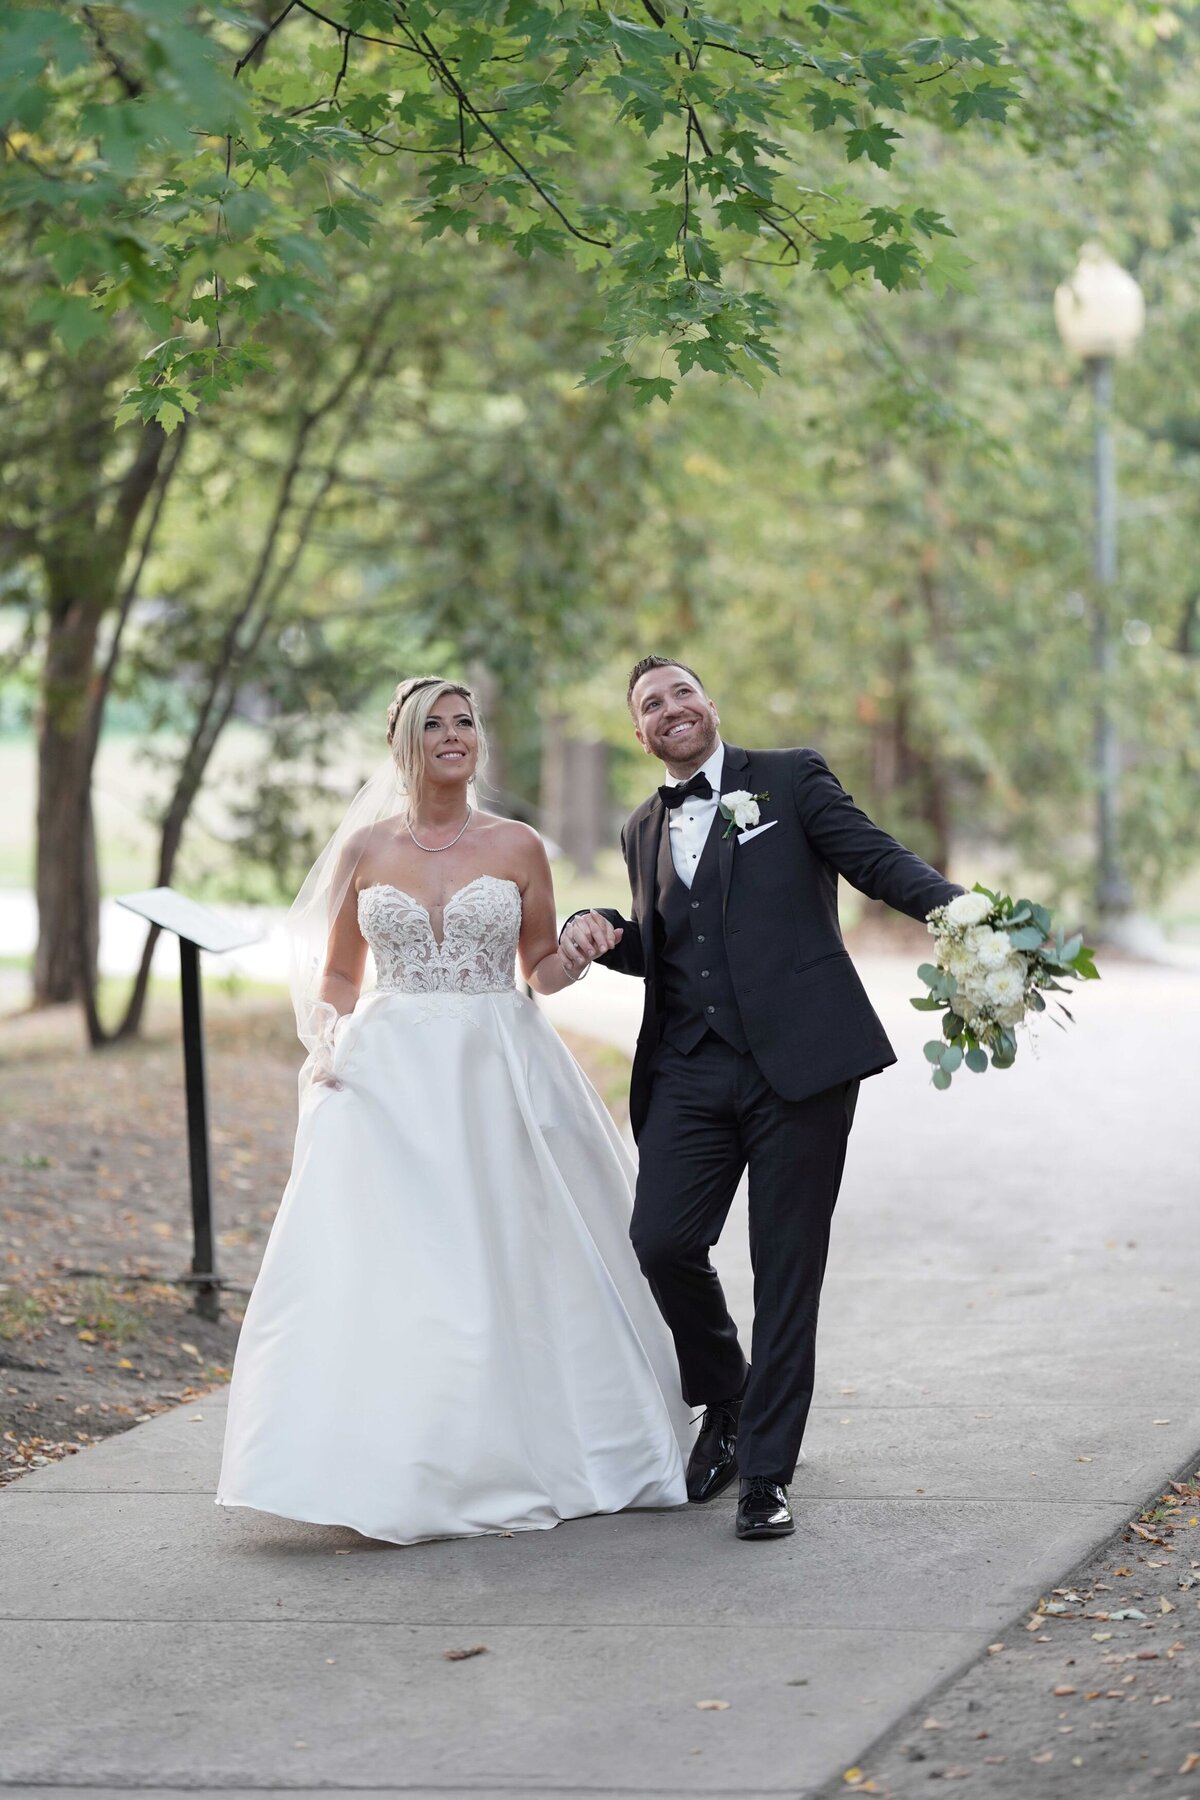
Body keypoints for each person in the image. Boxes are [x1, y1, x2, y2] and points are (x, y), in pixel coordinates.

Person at [216, 676, 691, 1545]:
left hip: (496, 1065)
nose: (452, 735)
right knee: (400, 1260)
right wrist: (327, 1036)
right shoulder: (365, 849)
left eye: (464, 722)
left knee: (510, 1249)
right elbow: (337, 971)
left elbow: (538, 968)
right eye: (432, 724)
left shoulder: (518, 846)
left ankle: (526, 1448)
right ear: (404, 743)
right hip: (389, 1074)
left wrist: (578, 956)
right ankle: (396, 1457)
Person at [560, 657, 963, 1541]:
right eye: (651, 704)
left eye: (682, 692)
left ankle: (767, 1475)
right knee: (661, 1240)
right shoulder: (640, 828)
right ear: (639, 733)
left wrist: (962, 914)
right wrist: (598, 930)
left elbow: (873, 859)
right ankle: (728, 1401)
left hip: (802, 1066)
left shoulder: (787, 777)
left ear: (711, 701)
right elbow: (667, 940)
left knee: (786, 1271)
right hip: (691, 1070)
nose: (672, 709)